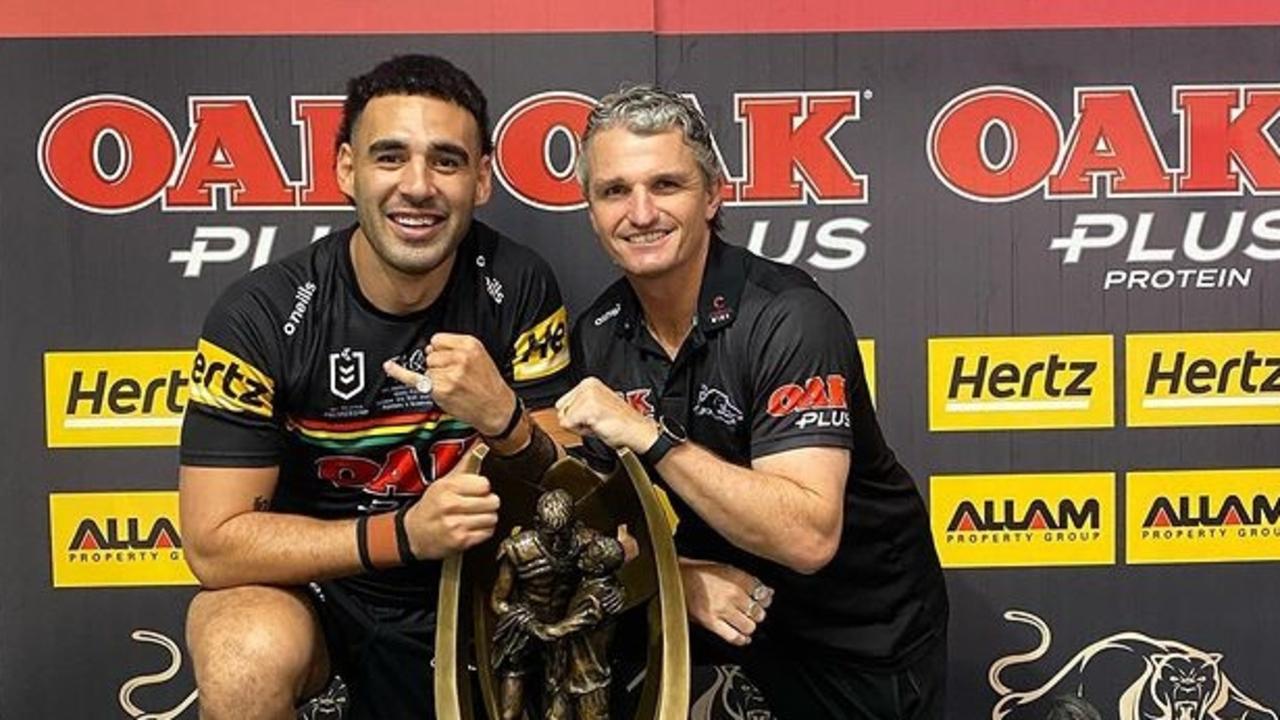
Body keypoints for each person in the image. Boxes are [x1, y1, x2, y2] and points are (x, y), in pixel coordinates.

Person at [178, 54, 570, 720]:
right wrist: (402, 535)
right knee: (241, 649)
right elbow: (214, 545)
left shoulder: (519, 285)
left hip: (481, 590)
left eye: (446, 161)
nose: (418, 185)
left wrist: (505, 419)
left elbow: (571, 492)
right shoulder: (264, 313)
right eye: (390, 157)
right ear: (345, 170)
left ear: (480, 179)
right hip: (327, 594)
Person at [556, 85, 949, 719]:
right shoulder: (599, 333)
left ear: (713, 194)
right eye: (614, 191)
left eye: (666, 185)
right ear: (591, 209)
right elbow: (594, 521)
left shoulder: (791, 318)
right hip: (725, 604)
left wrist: (648, 434)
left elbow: (808, 535)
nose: (640, 211)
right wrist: (674, 578)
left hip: (854, 630)